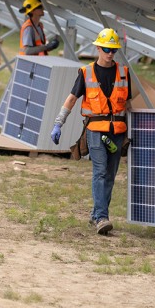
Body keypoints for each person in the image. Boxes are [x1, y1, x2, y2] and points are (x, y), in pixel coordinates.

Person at [50, 28, 132, 236]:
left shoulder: (124, 72)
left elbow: (128, 105)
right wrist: (59, 123)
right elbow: (71, 99)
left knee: (111, 176)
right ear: (98, 48)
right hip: (95, 131)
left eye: (113, 50)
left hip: (118, 132)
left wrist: (138, 128)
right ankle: (102, 217)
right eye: (106, 49)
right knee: (100, 171)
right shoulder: (86, 73)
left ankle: (97, 213)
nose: (110, 53)